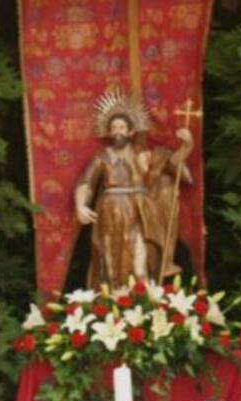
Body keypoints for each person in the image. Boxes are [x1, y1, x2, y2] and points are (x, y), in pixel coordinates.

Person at [73, 90, 192, 288]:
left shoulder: (143, 154)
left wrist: (187, 146)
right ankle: (111, 309)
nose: (117, 131)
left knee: (140, 264)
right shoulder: (102, 157)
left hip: (139, 212)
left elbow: (170, 163)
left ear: (130, 131)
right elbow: (85, 183)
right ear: (109, 132)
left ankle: (144, 308)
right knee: (110, 265)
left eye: (121, 127)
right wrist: (80, 206)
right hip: (110, 213)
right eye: (113, 127)